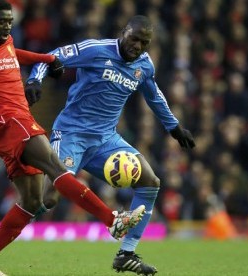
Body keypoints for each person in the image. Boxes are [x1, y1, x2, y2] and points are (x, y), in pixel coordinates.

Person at [0, 1, 146, 275]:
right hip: (5, 121)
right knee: (56, 166)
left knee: (32, 201)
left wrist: (48, 60)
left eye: (10, 22)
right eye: (2, 22)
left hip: (16, 121)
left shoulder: (5, 40)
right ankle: (112, 219)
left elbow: (15, 53)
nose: (8, 26)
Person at [24, 15, 196, 275]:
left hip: (106, 139)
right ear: (123, 31)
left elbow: (155, 96)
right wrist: (35, 80)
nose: (137, 46)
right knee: (48, 199)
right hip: (72, 134)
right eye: (134, 38)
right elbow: (54, 55)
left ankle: (126, 254)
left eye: (144, 43)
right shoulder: (95, 49)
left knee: (151, 181)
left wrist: (174, 127)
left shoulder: (144, 65)